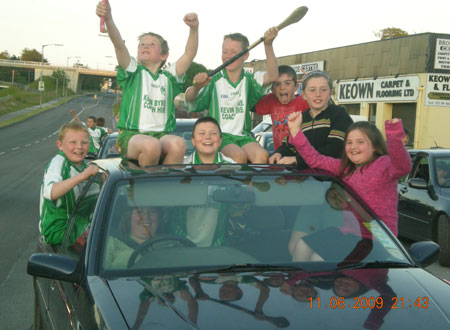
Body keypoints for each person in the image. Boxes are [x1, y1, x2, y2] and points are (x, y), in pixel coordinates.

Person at [96, 1, 199, 167]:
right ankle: (142, 190)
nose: (145, 46)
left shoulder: (169, 77)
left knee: (179, 144)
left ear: (164, 55)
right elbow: (119, 45)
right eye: (142, 45)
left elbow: (189, 53)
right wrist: (108, 18)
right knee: (151, 145)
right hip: (132, 136)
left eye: (152, 44)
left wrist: (194, 29)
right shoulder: (133, 71)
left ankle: (163, 185)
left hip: (161, 135)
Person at [287, 112, 412, 236]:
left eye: (360, 142)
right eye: (349, 142)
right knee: (302, 247)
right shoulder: (344, 167)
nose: (353, 147)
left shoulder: (384, 164)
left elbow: (403, 166)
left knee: (316, 255)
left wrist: (394, 137)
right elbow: (315, 159)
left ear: (374, 146)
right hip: (349, 235)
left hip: (379, 239)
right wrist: (295, 130)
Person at [184, 29, 279, 163]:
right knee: (238, 157)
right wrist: (196, 87)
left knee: (262, 155)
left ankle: (250, 184)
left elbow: (273, 76)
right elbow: (189, 99)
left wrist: (268, 45)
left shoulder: (250, 80)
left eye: (234, 52)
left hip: (243, 136)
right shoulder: (212, 80)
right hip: (220, 137)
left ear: (245, 56)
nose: (228, 56)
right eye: (225, 51)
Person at [269, 71, 353, 168]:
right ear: (303, 95)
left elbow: (335, 148)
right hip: (304, 178)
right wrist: (279, 153)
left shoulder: (338, 113)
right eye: (312, 90)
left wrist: (298, 160)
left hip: (331, 178)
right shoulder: (301, 118)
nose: (318, 94)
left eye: (323, 90)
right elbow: (290, 145)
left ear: (331, 93)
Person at [39, 121, 99, 245]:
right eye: (73, 142)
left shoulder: (84, 166)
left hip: (78, 224)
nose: (79, 147)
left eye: (84, 142)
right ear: (60, 145)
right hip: (60, 232)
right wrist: (84, 176)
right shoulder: (59, 162)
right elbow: (50, 192)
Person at [254, 65, 309, 150]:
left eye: (287, 83)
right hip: (280, 155)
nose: (282, 87)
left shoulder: (304, 101)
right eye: (277, 84)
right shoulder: (271, 101)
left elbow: (324, 106)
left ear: (296, 86)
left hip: (301, 155)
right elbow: (249, 104)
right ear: (272, 89)